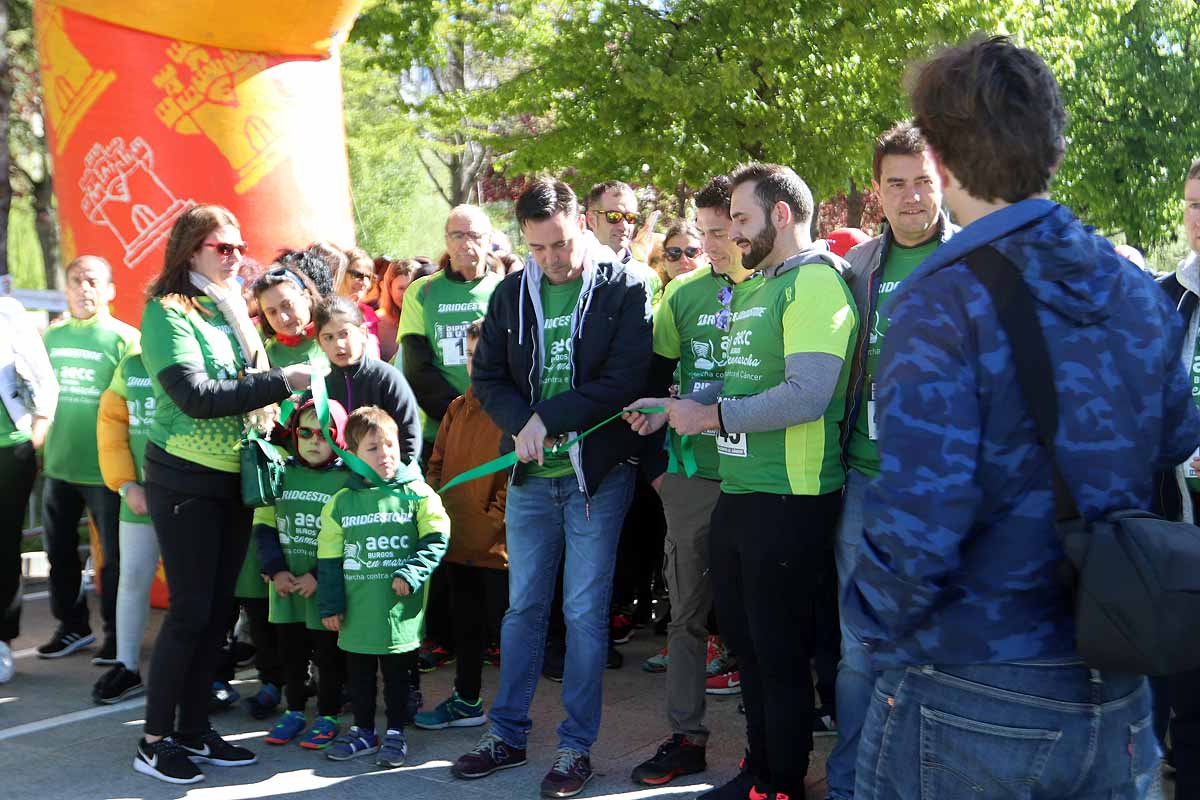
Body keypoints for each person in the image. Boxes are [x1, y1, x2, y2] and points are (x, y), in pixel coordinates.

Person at [845, 37, 1198, 800]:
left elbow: (923, 517)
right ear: (1055, 141)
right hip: (1116, 685)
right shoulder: (1133, 288)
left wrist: (865, 621)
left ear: (937, 155)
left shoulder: (941, 299)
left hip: (972, 685)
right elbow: (1174, 437)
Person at [629, 162, 858, 800]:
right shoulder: (757, 287)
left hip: (792, 499)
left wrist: (711, 414)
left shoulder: (813, 284)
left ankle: (780, 781)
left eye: (741, 217)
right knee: (748, 649)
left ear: (781, 215)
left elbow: (807, 395)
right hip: (740, 490)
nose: (729, 231)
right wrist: (677, 404)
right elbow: (738, 384)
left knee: (780, 653)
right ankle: (758, 769)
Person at [451, 178, 652, 798]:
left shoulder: (626, 286)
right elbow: (486, 375)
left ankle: (574, 749)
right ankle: (505, 736)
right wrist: (521, 424)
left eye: (561, 244)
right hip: (532, 480)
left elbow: (626, 379)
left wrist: (548, 418)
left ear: (581, 226)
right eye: (538, 249)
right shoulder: (511, 294)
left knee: (585, 614)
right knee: (522, 610)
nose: (552, 260)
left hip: (597, 478)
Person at [133, 204, 320, 785]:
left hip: (231, 475)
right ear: (191, 251)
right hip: (183, 476)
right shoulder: (166, 312)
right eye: (223, 248)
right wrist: (277, 382)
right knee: (190, 611)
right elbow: (195, 396)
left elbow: (239, 391)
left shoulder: (228, 308)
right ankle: (154, 739)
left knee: (216, 613)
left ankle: (193, 731)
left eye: (240, 247)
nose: (236, 257)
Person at [825, 121, 957, 800]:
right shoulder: (854, 270)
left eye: (923, 181)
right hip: (863, 481)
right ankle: (853, 781)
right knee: (858, 650)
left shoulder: (974, 262)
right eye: (896, 182)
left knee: (933, 648)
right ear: (876, 190)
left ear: (944, 182)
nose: (911, 196)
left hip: (941, 497)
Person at [625, 174, 759, 787]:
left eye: (722, 230)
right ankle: (686, 736)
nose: (712, 243)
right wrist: (661, 478)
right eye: (702, 232)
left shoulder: (778, 288)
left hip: (765, 479)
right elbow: (648, 391)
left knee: (759, 619)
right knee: (686, 618)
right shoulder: (681, 297)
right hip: (693, 482)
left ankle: (767, 745)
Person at [316, 406, 450, 767]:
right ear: (353, 455)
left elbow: (437, 536)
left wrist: (411, 572)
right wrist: (330, 605)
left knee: (397, 677)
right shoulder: (341, 502)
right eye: (372, 449)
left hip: (397, 612)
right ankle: (363, 731)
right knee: (358, 676)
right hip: (357, 611)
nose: (385, 454)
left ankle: (395, 733)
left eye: (390, 445)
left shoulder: (418, 493)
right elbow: (328, 559)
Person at [38, 255, 139, 662]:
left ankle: (117, 636)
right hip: (59, 464)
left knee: (113, 559)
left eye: (94, 281)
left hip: (107, 471)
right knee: (59, 551)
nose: (85, 288)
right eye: (77, 280)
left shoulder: (124, 338)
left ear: (111, 290)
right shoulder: (51, 338)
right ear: (66, 289)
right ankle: (72, 626)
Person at [415, 320, 508, 731]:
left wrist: (493, 518)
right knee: (466, 628)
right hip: (455, 540)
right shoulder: (456, 407)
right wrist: (437, 507)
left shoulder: (513, 409)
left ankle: (511, 714)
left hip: (497, 549)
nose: (477, 363)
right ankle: (467, 699)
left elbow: (516, 476)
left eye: (484, 354)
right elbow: (436, 464)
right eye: (470, 356)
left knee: (507, 631)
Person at [256, 399, 351, 750]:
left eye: (325, 434)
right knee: (290, 654)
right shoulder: (279, 471)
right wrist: (275, 569)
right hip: (286, 588)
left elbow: (348, 536)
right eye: (306, 432)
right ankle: (294, 710)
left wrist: (318, 575)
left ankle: (328, 715)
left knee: (328, 657)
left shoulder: (347, 480)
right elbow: (264, 526)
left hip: (322, 588)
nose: (314, 441)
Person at [1153, 157, 1200, 797]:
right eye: (1193, 204)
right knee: (1188, 705)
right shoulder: (1167, 297)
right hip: (1179, 532)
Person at [398, 204, 502, 457]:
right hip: (442, 431)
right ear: (446, 240)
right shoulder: (422, 291)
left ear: (489, 240)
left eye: (475, 235)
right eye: (458, 235)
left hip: (497, 427)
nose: (466, 243)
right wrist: (462, 416)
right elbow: (417, 369)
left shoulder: (505, 290)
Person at [92, 349, 156, 704]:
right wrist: (125, 484)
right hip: (138, 498)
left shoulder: (194, 356)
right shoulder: (130, 366)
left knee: (191, 588)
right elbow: (111, 429)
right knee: (132, 578)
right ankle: (127, 666)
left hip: (189, 496)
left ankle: (205, 668)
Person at [0, 296, 57, 683]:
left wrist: (36, 435)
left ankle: (2, 640)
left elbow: (43, 378)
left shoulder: (8, 312)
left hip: (9, 449)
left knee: (4, 545)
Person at [314, 295, 421, 465]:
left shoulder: (387, 379)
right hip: (332, 484)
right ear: (319, 343)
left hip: (383, 481)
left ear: (363, 332)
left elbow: (409, 443)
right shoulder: (317, 386)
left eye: (345, 334)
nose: (338, 344)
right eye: (328, 337)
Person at [254, 253, 327, 369]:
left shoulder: (336, 333)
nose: (283, 317)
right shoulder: (264, 352)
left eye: (287, 305)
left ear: (307, 297)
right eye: (272, 312)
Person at [334, 247, 382, 360]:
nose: (365, 283)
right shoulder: (326, 313)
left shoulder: (369, 314)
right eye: (357, 275)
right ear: (340, 273)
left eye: (368, 277)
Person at [374, 258, 421, 364]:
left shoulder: (427, 320)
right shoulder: (375, 323)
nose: (407, 294)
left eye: (411, 287)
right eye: (401, 288)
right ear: (390, 289)